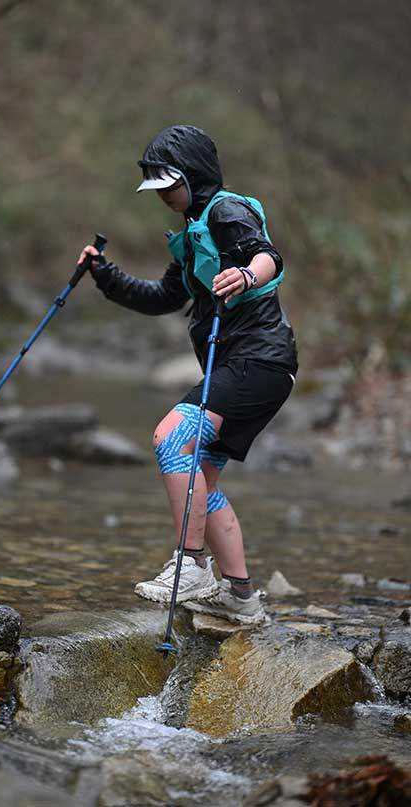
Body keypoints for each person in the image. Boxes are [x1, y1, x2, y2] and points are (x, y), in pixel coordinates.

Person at [78, 125, 297, 625]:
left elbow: (268, 256)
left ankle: (192, 566)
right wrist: (104, 275)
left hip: (258, 361)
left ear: (193, 176)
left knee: (172, 438)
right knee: (200, 473)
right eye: (156, 190)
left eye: (168, 186)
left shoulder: (226, 210)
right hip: (247, 367)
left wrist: (245, 275)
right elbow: (164, 298)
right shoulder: (192, 232)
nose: (162, 198)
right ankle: (241, 598)